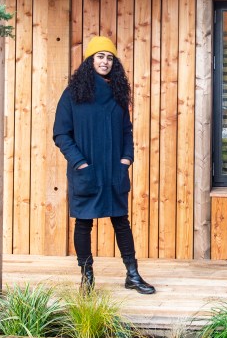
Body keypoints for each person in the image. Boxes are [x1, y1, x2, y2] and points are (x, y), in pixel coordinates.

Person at [53, 36, 155, 295]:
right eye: (100, 56)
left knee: (121, 222)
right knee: (84, 223)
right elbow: (61, 133)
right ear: (90, 60)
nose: (105, 61)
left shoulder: (118, 94)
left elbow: (126, 131)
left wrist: (126, 160)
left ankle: (132, 274)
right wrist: (80, 163)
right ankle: (87, 277)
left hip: (113, 171)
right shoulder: (72, 94)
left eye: (109, 57)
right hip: (86, 170)